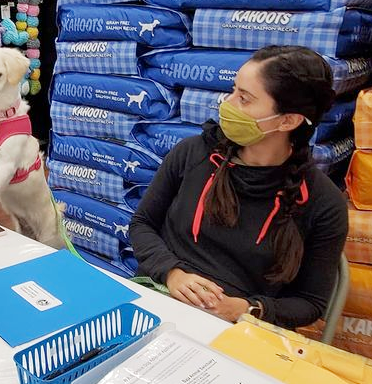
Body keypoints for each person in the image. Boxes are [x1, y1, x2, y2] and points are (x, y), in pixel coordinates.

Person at [129, 45, 348, 329]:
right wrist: (172, 273)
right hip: (161, 299)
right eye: (233, 90)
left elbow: (310, 303)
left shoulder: (323, 203)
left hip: (241, 330)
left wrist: (247, 309)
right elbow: (142, 224)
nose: (227, 104)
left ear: (288, 120)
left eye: (244, 99)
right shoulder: (193, 154)